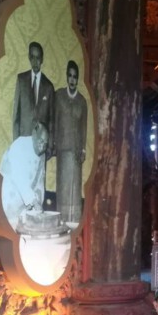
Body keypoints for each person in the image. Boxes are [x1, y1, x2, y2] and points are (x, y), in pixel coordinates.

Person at [53, 60, 88, 226]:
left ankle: (74, 222)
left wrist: (83, 150)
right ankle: (61, 220)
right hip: (62, 150)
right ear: (67, 77)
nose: (72, 79)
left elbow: (84, 127)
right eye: (70, 76)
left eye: (75, 76)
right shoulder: (59, 96)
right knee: (63, 186)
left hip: (75, 152)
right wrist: (53, 143)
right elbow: (54, 120)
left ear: (77, 78)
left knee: (75, 186)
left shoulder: (82, 101)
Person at [0, 122, 49, 231]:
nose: (42, 147)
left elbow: (40, 182)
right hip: (9, 200)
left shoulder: (42, 155)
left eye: (45, 144)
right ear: (34, 135)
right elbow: (20, 179)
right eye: (40, 141)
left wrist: (38, 204)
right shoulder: (20, 146)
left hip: (26, 207)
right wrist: (34, 201)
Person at [12, 41, 55, 144]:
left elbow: (51, 121)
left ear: (42, 59)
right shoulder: (21, 80)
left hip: (40, 144)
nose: (35, 62)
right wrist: (16, 143)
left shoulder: (49, 86)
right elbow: (16, 116)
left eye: (38, 58)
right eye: (32, 57)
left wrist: (49, 146)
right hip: (23, 141)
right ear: (29, 57)